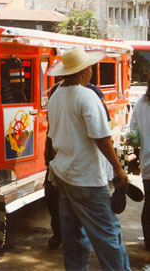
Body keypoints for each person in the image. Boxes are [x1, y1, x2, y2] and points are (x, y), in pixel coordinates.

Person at [45, 47, 130, 270]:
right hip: (88, 178)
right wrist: (118, 169)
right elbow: (102, 137)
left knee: (73, 238)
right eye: (90, 67)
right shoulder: (86, 95)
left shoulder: (55, 96)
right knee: (108, 236)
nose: (91, 70)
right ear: (83, 72)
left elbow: (53, 139)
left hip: (64, 175)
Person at [44, 80, 113, 247]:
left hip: (83, 163)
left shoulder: (92, 92)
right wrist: (48, 156)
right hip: (60, 157)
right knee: (52, 198)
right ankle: (59, 233)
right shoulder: (55, 92)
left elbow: (103, 129)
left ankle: (75, 238)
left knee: (90, 216)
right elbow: (51, 127)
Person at [129, 72, 150, 250]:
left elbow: (133, 134)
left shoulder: (141, 103)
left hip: (148, 162)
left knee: (149, 203)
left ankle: (149, 243)